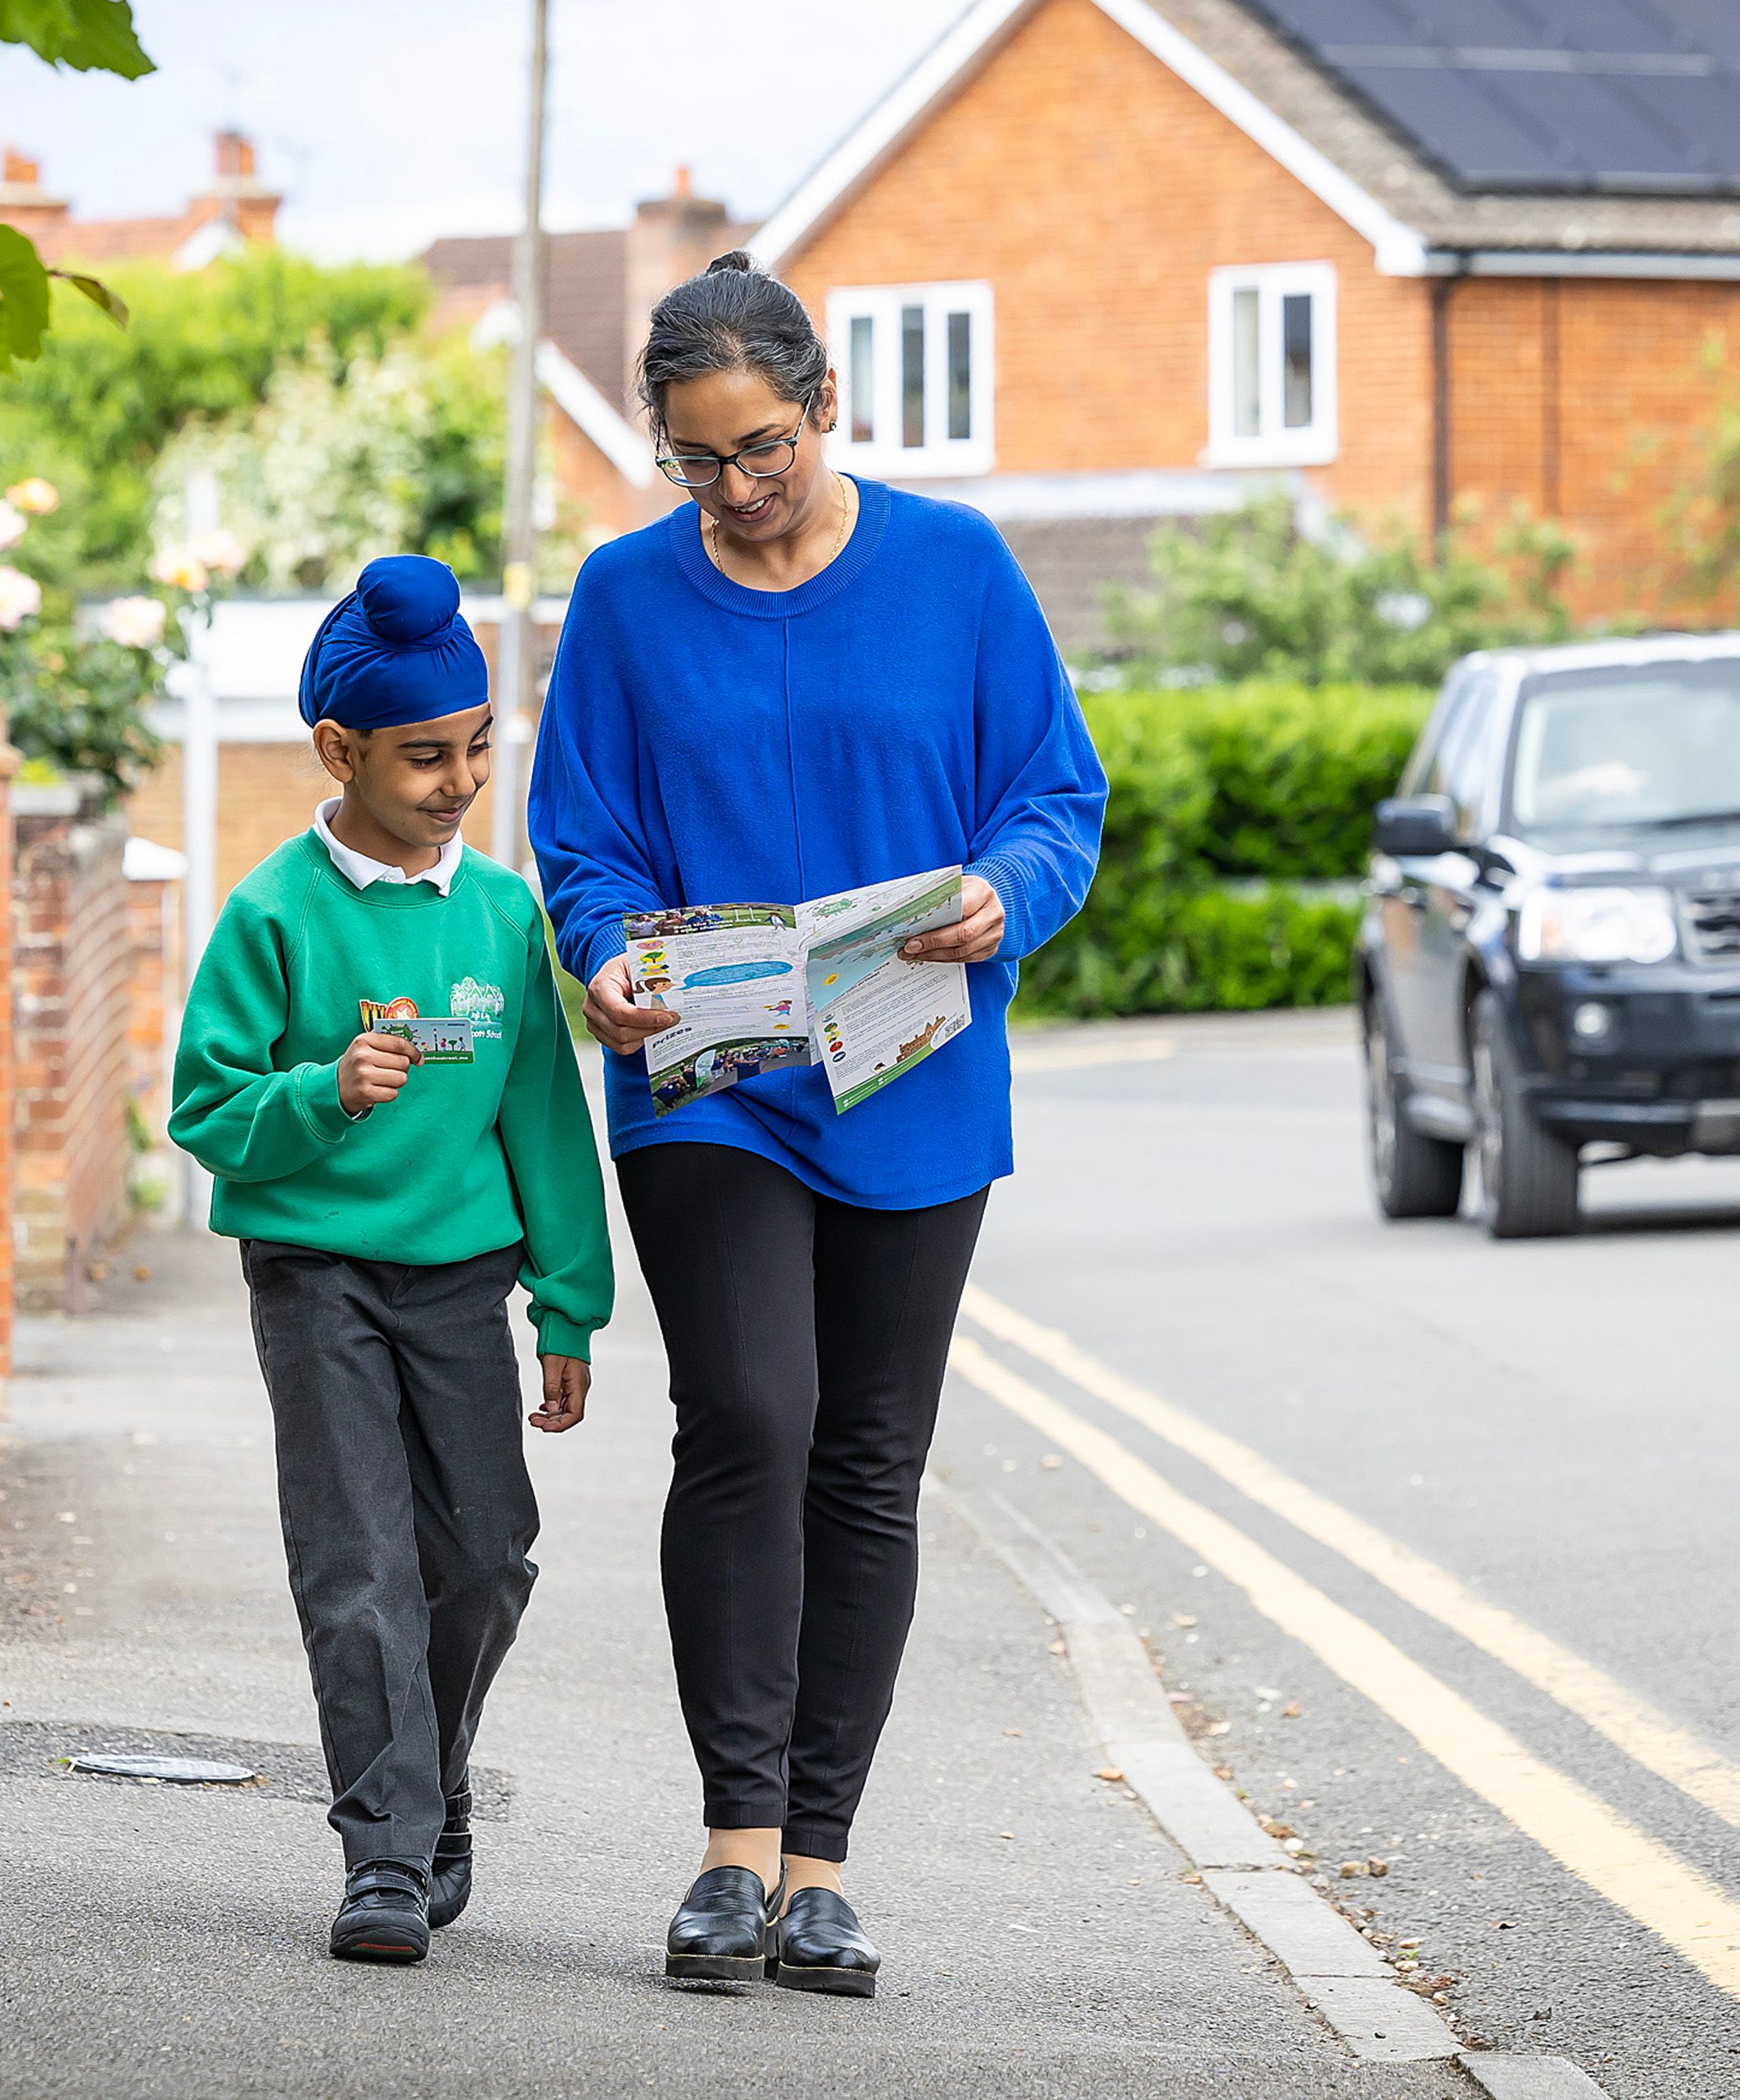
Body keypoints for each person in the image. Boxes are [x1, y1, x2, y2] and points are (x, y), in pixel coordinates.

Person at [528, 254, 1105, 1996]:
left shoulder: (960, 570)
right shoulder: (627, 600)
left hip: (913, 1068)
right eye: (697, 462)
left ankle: (824, 1865)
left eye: (760, 449)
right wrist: (602, 951)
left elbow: (1053, 800)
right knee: (751, 1415)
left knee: (868, 1455)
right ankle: (732, 1844)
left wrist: (1007, 896)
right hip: (712, 1086)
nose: (738, 491)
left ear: (826, 405)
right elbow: (587, 843)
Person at [171, 554, 614, 1965]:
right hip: (316, 1279)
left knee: (485, 1555)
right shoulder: (274, 913)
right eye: (427, 754)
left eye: (480, 745)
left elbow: (547, 1117)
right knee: (357, 1559)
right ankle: (384, 1847)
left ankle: (429, 1775)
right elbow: (205, 1109)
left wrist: (571, 1302)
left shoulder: (502, 914)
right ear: (339, 750)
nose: (460, 778)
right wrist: (317, 1091)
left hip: (461, 1285)